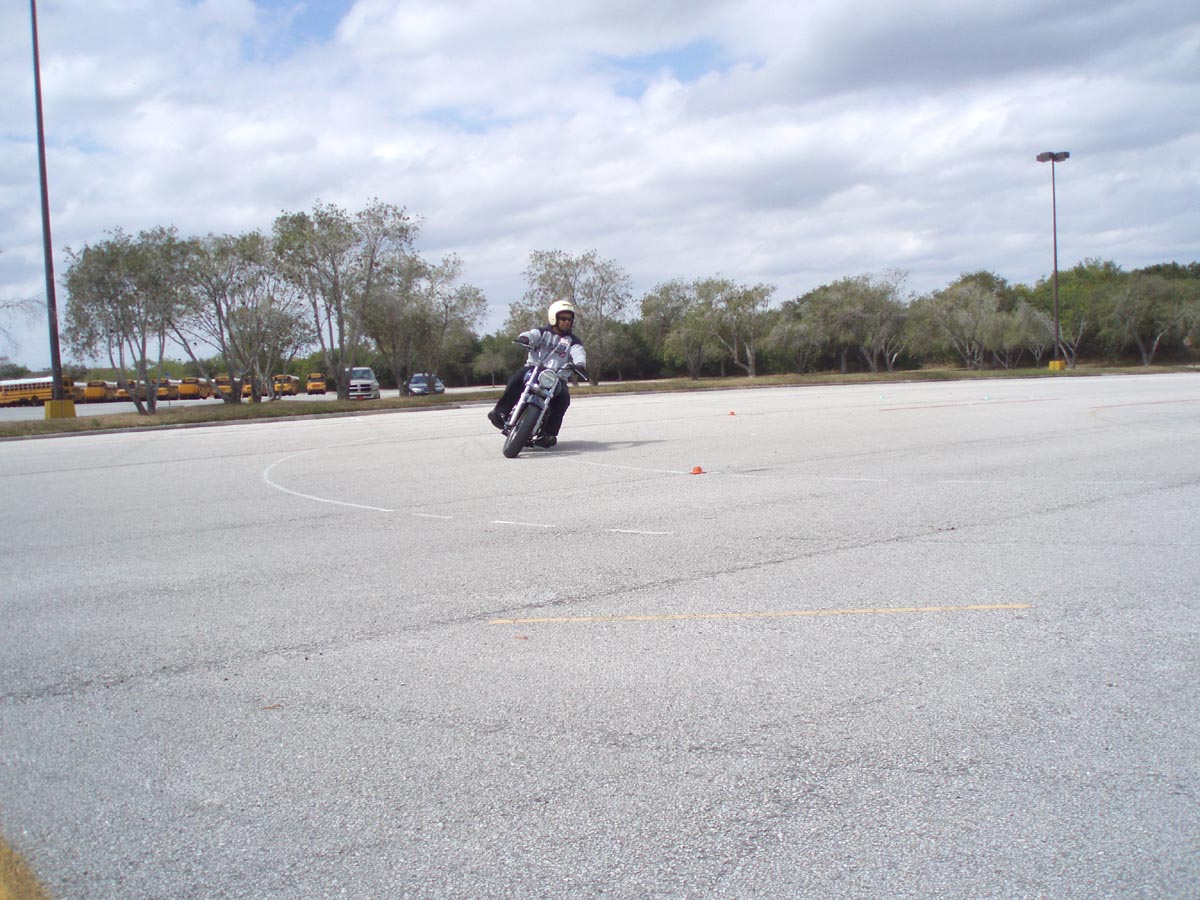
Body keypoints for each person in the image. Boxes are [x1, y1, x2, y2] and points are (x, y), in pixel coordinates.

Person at [488, 299, 587, 447]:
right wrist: (525, 338)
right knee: (516, 378)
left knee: (563, 399)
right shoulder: (542, 332)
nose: (566, 322)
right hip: (534, 369)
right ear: (554, 317)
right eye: (563, 318)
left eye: (569, 319)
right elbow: (531, 335)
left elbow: (579, 352)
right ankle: (501, 412)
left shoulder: (573, 341)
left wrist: (580, 364)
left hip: (556, 377)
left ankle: (548, 433)